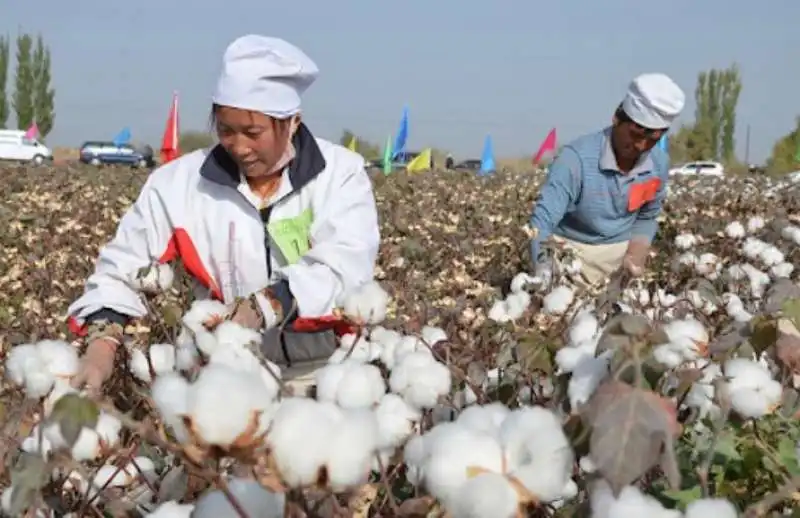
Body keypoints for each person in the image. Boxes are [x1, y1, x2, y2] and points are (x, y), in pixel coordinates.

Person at [67, 35, 380, 395]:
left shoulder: (339, 175)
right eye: (226, 130)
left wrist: (265, 305)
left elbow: (345, 264)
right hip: (228, 381)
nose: (239, 147)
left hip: (328, 376)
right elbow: (123, 266)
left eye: (253, 132)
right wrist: (100, 348)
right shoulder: (178, 185)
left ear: (292, 122)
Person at [529, 73, 685, 285]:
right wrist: (544, 275)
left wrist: (636, 256)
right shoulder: (576, 160)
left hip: (619, 260)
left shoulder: (658, 164)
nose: (641, 146)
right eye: (636, 134)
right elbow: (541, 224)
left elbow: (647, 216)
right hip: (569, 259)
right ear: (616, 119)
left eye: (652, 140)